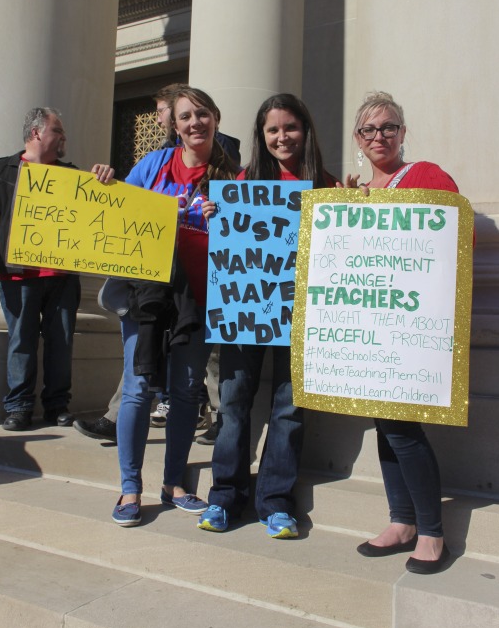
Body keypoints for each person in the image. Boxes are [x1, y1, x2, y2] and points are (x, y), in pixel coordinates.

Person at [198, 93, 336, 538]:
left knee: (290, 410)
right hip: (244, 316)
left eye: (290, 127)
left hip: (302, 317)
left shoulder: (325, 185)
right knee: (234, 406)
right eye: (272, 129)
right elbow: (221, 243)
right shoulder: (242, 182)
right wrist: (212, 215)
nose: (282, 137)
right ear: (262, 135)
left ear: (305, 130)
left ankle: (275, 502)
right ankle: (224, 497)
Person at [108, 86, 238, 527]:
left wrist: (227, 218)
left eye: (202, 113)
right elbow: (117, 215)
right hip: (148, 297)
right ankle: (130, 487)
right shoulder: (151, 166)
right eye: (185, 117)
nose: (194, 123)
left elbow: (250, 238)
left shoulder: (235, 176)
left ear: (215, 117)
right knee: (138, 390)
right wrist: (106, 185)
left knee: (185, 393)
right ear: (174, 124)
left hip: (202, 298)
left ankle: (173, 484)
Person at [349, 91, 457, 574]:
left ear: (403, 132)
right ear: (357, 137)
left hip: (410, 328)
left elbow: (458, 236)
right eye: (369, 130)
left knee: (402, 427)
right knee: (382, 422)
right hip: (370, 328)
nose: (379, 137)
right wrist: (351, 213)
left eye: (388, 127)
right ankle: (402, 520)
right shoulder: (353, 192)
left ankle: (432, 531)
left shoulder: (427, 176)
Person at [0, 107, 114, 431]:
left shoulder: (71, 174)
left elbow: (94, 214)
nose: (63, 138)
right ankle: (18, 407)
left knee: (61, 343)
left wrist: (102, 181)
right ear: (36, 133)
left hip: (61, 278)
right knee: (22, 341)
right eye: (57, 131)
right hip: (17, 276)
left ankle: (56, 406)